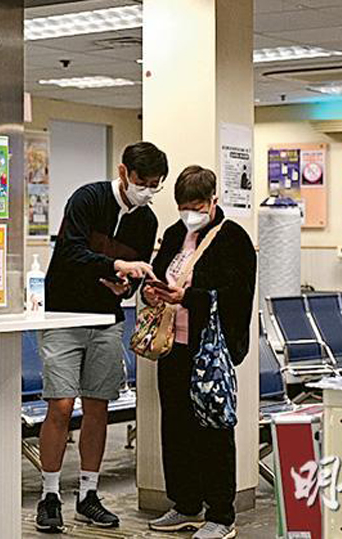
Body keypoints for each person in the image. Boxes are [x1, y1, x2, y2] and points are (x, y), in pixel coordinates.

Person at [36, 141, 167, 532]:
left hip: (107, 320)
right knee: (61, 406)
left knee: (98, 407)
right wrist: (115, 264)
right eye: (143, 182)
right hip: (63, 316)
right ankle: (49, 495)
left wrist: (125, 286)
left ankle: (88, 495)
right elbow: (70, 252)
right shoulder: (88, 199)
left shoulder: (146, 221)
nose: (147, 191)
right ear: (123, 172)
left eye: (155, 185)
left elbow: (134, 277)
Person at [144, 166, 256, 539]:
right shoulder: (175, 234)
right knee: (175, 428)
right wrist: (152, 291)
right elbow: (158, 273)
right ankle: (186, 504)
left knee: (213, 430)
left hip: (207, 351)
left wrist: (188, 297)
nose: (189, 214)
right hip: (172, 347)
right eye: (183, 207)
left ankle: (221, 515)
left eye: (196, 207)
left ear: (212, 200)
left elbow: (237, 294)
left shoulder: (232, 238)